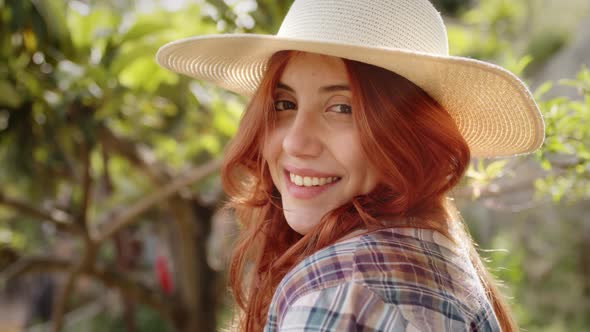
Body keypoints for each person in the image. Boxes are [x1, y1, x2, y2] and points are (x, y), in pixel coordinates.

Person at [156, 0, 544, 331]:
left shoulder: (344, 291)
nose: (295, 142)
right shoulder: (436, 255)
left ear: (410, 134)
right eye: (284, 104)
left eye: (342, 108)